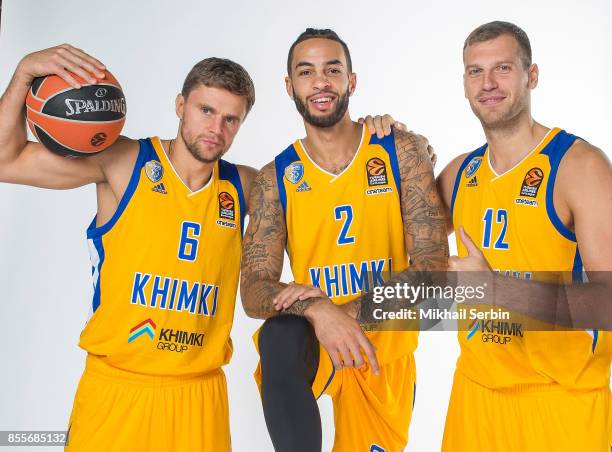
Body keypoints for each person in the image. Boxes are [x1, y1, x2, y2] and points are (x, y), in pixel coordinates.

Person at [0, 44, 257, 451]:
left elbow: (324, 194)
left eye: (231, 119)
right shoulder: (123, 163)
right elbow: (4, 159)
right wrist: (22, 75)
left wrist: (376, 133)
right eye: (206, 110)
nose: (216, 128)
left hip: (200, 396)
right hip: (118, 388)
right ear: (180, 105)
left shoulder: (244, 186)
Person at [241, 28, 448, 452]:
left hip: (382, 352)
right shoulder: (275, 178)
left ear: (351, 81)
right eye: (306, 72)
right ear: (290, 86)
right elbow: (253, 289)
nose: (320, 82)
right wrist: (318, 311)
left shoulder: (399, 151)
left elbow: (433, 269)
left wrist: (345, 314)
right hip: (315, 345)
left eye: (332, 70)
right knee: (278, 337)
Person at [436, 21, 612, 451]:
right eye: (475, 72)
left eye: (503, 68)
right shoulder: (460, 173)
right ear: (464, 84)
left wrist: (499, 290)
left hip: (561, 400)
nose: (488, 83)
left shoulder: (578, 166)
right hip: (475, 396)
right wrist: (387, 140)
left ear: (531, 75)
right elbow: (400, 233)